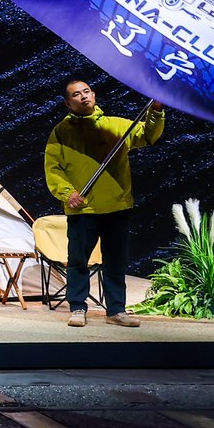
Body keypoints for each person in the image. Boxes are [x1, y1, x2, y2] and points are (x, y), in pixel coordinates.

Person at [44, 79, 165, 328]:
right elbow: (53, 168)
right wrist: (68, 193)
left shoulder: (116, 125)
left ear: (94, 94)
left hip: (117, 206)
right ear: (68, 103)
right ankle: (78, 307)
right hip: (82, 207)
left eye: (86, 91)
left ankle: (116, 310)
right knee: (78, 260)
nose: (83, 96)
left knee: (115, 261)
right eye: (76, 94)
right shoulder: (61, 132)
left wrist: (156, 110)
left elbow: (147, 135)